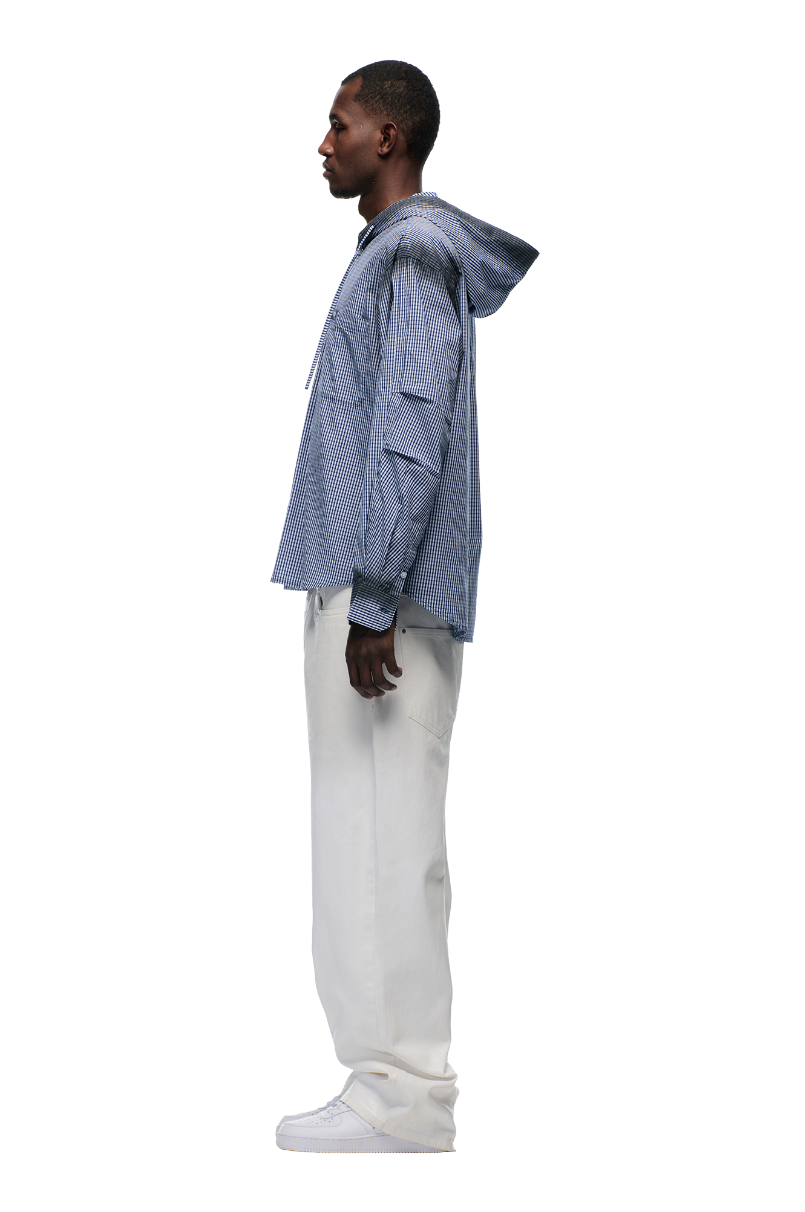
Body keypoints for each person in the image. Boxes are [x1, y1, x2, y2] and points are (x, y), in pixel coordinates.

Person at [272, 60, 539, 1155]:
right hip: (362, 592)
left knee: (386, 841)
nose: (322, 142)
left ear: (388, 136)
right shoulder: (388, 254)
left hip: (382, 603)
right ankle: (377, 1083)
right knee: (356, 836)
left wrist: (375, 595)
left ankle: (407, 1097)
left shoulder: (416, 254)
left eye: (337, 124)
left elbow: (410, 423)